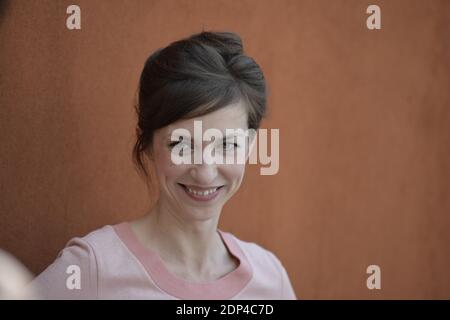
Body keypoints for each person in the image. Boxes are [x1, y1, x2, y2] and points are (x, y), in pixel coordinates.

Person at [30, 31, 297, 299]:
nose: (205, 173)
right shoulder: (92, 268)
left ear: (250, 146)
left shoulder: (271, 280)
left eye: (227, 145)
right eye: (181, 145)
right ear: (146, 143)